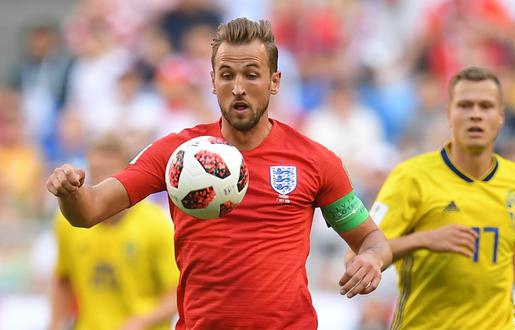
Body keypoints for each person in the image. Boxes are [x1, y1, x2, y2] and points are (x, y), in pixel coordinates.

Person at [46, 18, 393, 329]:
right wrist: (70, 192)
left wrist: (371, 258)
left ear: (274, 81)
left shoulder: (315, 161)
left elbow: (372, 239)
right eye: (227, 75)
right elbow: (89, 211)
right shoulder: (177, 154)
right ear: (212, 81)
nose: (238, 87)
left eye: (251, 74)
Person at [361, 66, 515, 329]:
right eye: (465, 105)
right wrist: (424, 239)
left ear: (501, 116)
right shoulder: (411, 177)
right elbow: (360, 253)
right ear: (448, 114)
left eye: (486, 106)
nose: (475, 115)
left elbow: (514, 237)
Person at [49, 134, 179, 330]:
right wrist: (55, 324)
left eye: (108, 174)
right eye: (96, 172)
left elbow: (176, 293)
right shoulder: (67, 222)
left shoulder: (155, 223)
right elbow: (63, 279)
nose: (101, 182)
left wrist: (142, 322)